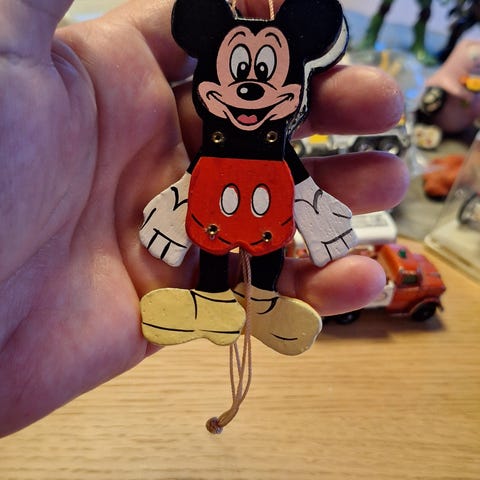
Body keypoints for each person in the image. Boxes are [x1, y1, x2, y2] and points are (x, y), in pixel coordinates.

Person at [0, 0, 409, 438]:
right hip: (214, 203)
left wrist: (320, 218)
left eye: (266, 71)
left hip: (269, 212)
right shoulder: (213, 141)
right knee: (211, 244)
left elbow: (299, 181)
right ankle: (210, 300)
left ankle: (262, 303)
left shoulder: (277, 142)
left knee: (268, 248)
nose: (250, 88)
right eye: (239, 71)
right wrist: (171, 212)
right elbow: (191, 180)